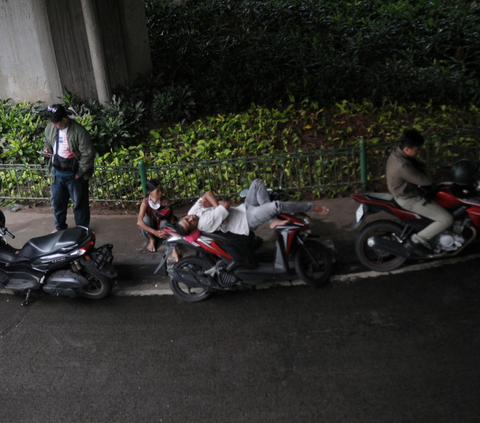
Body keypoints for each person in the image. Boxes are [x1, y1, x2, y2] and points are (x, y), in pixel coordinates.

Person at [175, 178, 329, 236]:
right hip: (247, 220)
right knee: (276, 205)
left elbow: (208, 193)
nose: (190, 217)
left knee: (257, 183)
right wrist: (219, 204)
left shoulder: (192, 212)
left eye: (186, 218)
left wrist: (216, 205)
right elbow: (226, 204)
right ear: (193, 228)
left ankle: (272, 221)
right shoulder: (204, 222)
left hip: (244, 208)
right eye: (190, 223)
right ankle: (312, 208)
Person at [386, 129, 453, 255]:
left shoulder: (397, 153)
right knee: (446, 219)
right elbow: (427, 181)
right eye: (417, 150)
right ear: (407, 149)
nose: (418, 152)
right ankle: (415, 241)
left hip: (407, 192)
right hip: (409, 199)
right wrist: (424, 167)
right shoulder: (403, 166)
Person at [44, 104, 95, 232]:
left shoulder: (79, 132)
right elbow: (47, 141)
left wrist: (79, 173)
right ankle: (60, 228)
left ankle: (82, 230)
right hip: (57, 172)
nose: (53, 125)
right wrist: (47, 149)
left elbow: (88, 155)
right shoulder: (51, 128)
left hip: (74, 174)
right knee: (58, 203)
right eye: (52, 122)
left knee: (79, 204)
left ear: (64, 120)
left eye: (56, 123)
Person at [136, 179, 178, 260]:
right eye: (157, 191)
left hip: (163, 230)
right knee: (145, 220)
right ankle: (152, 239)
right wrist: (154, 232)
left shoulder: (165, 201)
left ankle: (172, 246)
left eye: (161, 190)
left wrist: (170, 232)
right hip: (151, 230)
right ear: (149, 193)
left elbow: (172, 218)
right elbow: (139, 222)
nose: (160, 193)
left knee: (165, 222)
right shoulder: (145, 202)